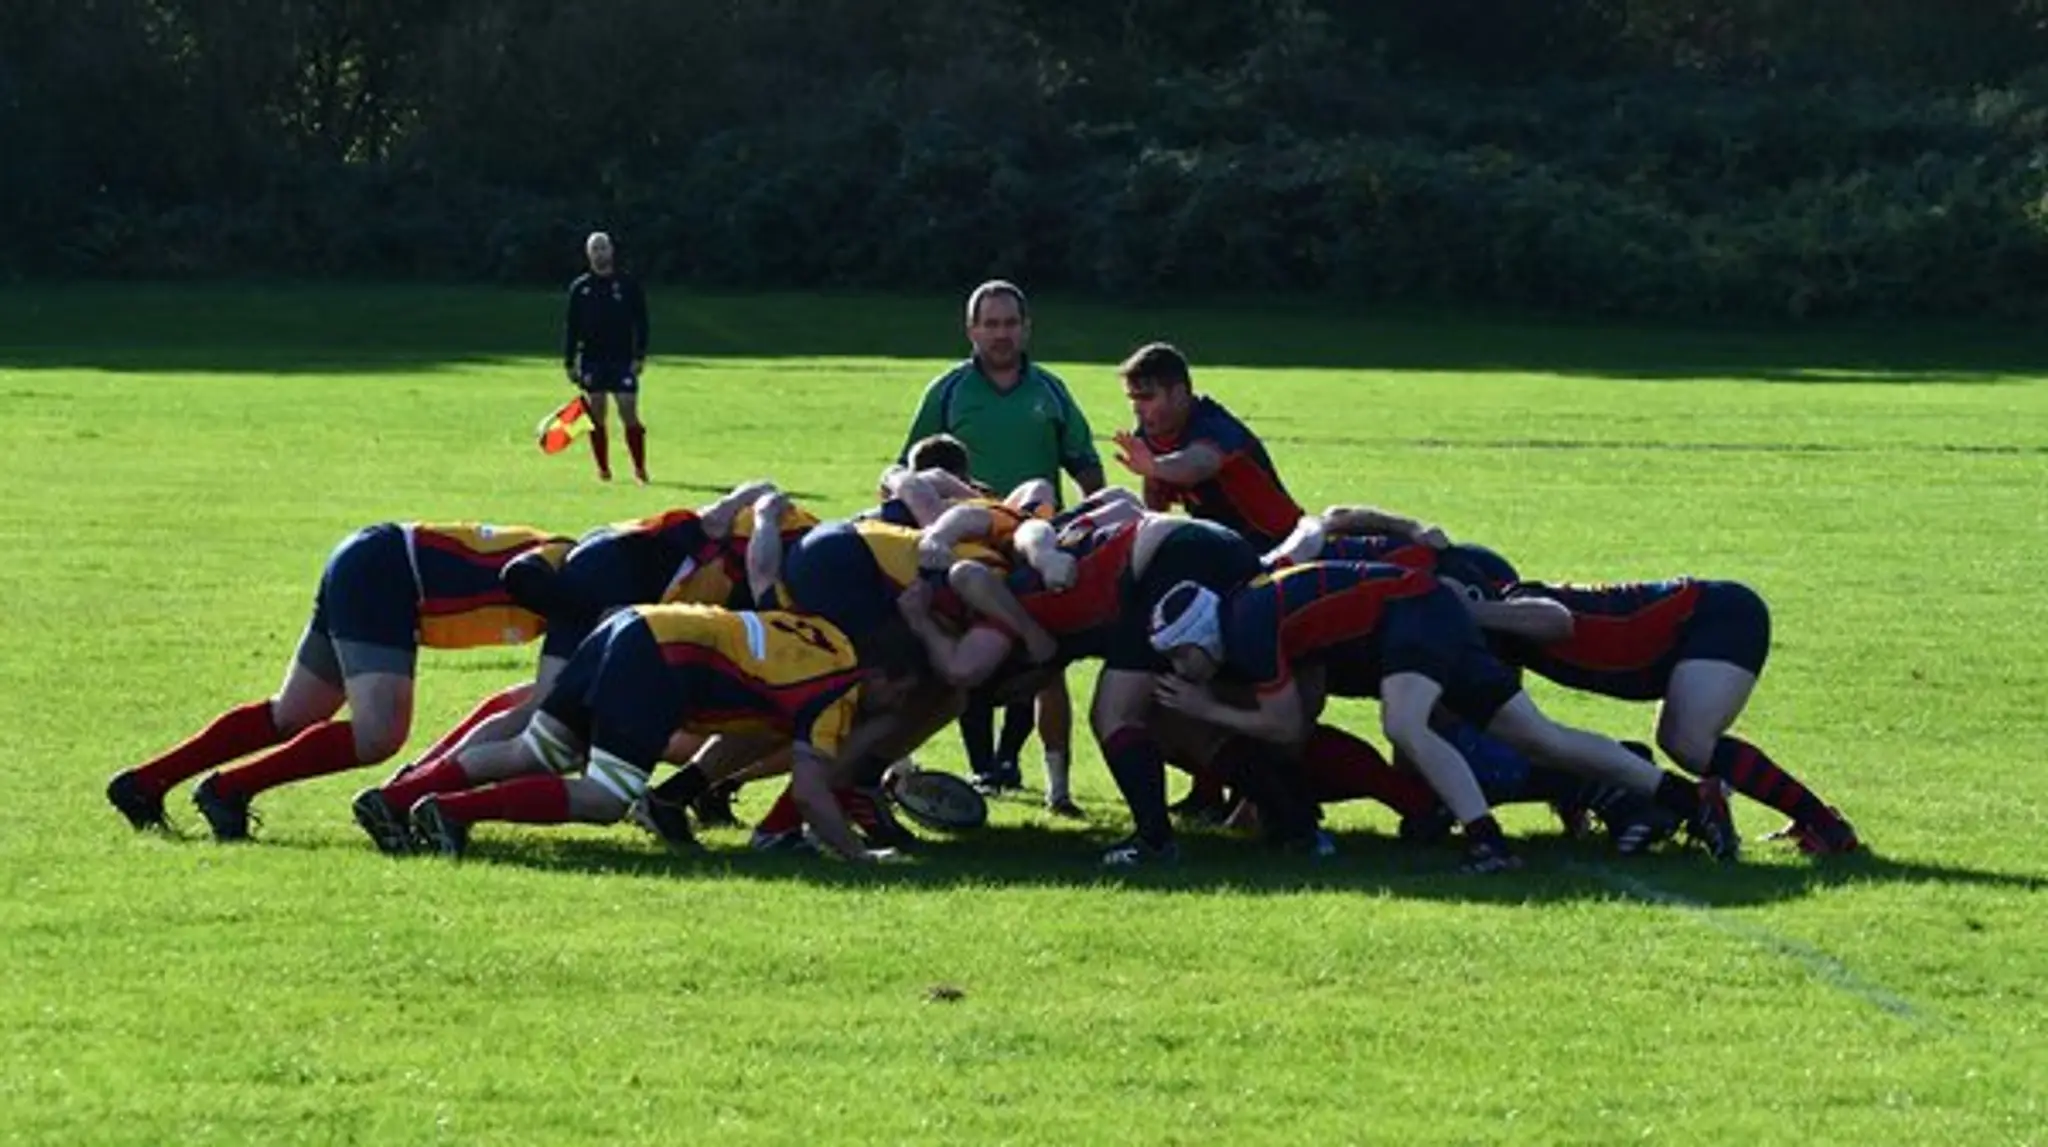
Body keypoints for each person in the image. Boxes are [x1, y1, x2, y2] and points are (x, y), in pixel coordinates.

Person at [1146, 562, 1744, 867]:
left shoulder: (1245, 629)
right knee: (1541, 738)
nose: (1179, 670)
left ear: (1198, 639)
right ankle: (1690, 802)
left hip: (1413, 615)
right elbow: (1299, 714)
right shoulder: (1249, 611)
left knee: (1404, 724)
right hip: (1427, 611)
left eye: (1179, 658)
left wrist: (1205, 709)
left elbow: (1283, 727)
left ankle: (1488, 845)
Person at [105, 522, 572, 840]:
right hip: (390, 572)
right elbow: (543, 703)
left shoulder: (599, 577)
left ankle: (144, 783)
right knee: (379, 733)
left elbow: (522, 700)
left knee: (294, 713)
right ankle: (227, 791)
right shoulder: (593, 580)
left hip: (372, 558)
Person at [380, 604, 926, 863]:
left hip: (633, 624)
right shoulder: (837, 690)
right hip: (662, 658)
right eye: (900, 695)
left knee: (538, 750)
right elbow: (810, 790)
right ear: (880, 675)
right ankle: (451, 812)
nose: (898, 707)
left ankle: (393, 798)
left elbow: (760, 711)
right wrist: (859, 857)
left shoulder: (828, 633)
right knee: (604, 798)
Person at [896, 281, 1104, 811]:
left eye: (1010, 323)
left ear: (1026, 328)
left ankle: (1045, 780)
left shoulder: (1051, 391)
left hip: (1037, 541)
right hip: (970, 547)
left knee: (1044, 663)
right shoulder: (947, 391)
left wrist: (1096, 512)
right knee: (976, 653)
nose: (1001, 333)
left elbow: (1082, 459)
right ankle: (984, 765)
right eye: (990, 324)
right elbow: (911, 463)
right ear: (971, 330)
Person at [1492, 575, 1859, 855]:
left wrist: (1476, 611)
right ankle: (1805, 818)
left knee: (1688, 741)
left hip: (1720, 617)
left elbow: (1559, 622)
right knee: (1680, 740)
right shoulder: (1496, 627)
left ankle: (1827, 827)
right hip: (1688, 632)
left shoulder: (1510, 606)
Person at [1111, 341, 1304, 554]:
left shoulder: (1213, 424)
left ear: (1179, 393)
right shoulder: (1151, 434)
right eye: (1132, 398)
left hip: (1281, 545)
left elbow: (1199, 463)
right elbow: (1155, 504)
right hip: (1224, 548)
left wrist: (1154, 466)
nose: (1137, 408)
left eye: (1147, 397)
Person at [562, 231, 652, 483]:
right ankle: (603, 469)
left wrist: (639, 355)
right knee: (597, 413)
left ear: (611, 251)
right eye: (595, 249)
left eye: (603, 248)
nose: (600, 253)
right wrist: (569, 361)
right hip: (592, 359)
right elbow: (571, 327)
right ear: (588, 254)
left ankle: (640, 468)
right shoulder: (580, 289)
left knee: (628, 411)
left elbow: (641, 322)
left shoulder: (627, 285)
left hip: (622, 359)